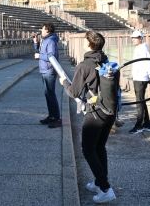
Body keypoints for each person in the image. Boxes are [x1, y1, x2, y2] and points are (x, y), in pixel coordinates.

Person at [59, 31, 118, 203]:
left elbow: (74, 92)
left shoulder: (84, 65)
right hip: (109, 112)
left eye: (85, 39)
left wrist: (64, 81)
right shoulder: (105, 60)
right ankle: (99, 182)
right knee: (99, 147)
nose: (84, 42)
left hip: (96, 113)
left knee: (88, 149)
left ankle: (106, 188)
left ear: (90, 44)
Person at [34, 22, 61, 128]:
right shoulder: (45, 40)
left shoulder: (50, 40)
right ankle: (52, 116)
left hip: (49, 70)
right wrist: (36, 43)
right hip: (44, 70)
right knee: (47, 94)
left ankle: (57, 118)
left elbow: (51, 56)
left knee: (50, 94)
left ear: (47, 30)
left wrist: (39, 56)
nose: (41, 30)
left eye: (43, 29)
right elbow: (39, 53)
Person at [129, 30, 150, 134]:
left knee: (139, 102)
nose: (133, 40)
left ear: (141, 38)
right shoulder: (138, 48)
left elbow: (149, 62)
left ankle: (139, 125)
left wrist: (149, 75)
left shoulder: (143, 48)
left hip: (141, 78)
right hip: (138, 77)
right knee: (141, 101)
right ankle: (147, 124)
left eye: (136, 38)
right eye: (133, 38)